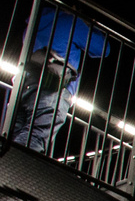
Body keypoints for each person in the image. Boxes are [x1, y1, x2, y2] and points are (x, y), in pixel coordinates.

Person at [7, 8, 110, 154]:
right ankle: (11, 170)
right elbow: (103, 48)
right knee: (35, 137)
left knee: (13, 134)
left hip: (23, 82)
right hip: (52, 87)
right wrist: (90, 25)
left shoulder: (37, 17)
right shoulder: (72, 21)